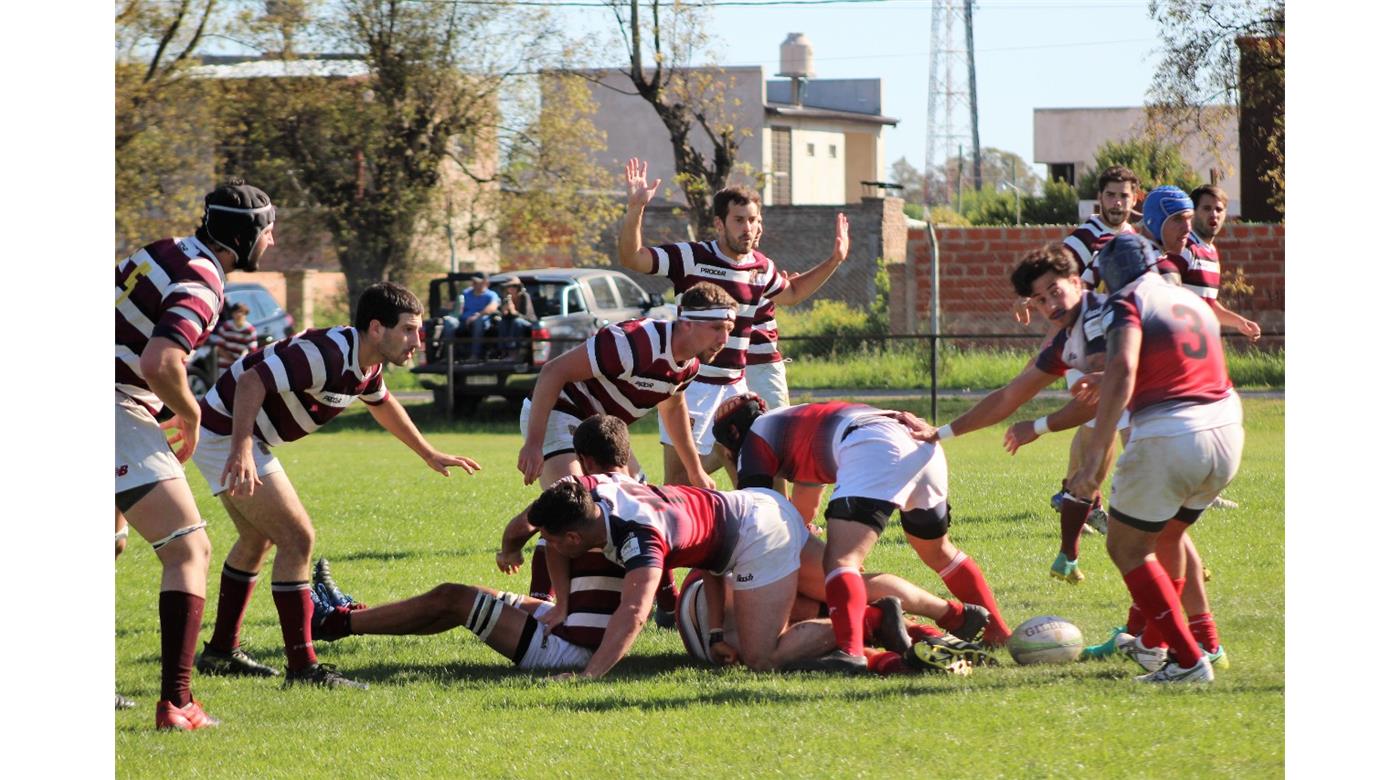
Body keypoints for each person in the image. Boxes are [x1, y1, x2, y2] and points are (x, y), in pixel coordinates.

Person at [191, 282, 481, 690]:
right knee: (297, 538)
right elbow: (253, 381)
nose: (418, 340)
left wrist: (428, 453)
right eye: (410, 329)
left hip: (231, 436)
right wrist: (240, 449)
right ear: (377, 329)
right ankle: (303, 668)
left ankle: (221, 653)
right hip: (226, 433)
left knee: (258, 540)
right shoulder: (325, 354)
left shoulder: (367, 361)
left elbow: (382, 403)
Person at [115, 179, 276, 730]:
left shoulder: (162, 248)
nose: (272, 241)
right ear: (244, 232)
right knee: (190, 550)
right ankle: (178, 705)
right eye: (268, 230)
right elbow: (162, 362)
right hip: (111, 404)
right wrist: (189, 414)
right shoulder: (205, 279)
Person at [711, 397, 1014, 666]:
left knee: (841, 562)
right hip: (919, 443)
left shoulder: (754, 441)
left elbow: (758, 523)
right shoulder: (794, 421)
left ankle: (850, 650)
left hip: (874, 444)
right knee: (939, 552)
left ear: (731, 442)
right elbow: (805, 510)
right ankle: (997, 630)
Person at [1067, 233, 1244, 683]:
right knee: (1167, 537)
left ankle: (1187, 661)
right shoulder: (1185, 297)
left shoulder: (1125, 299)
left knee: (1126, 547)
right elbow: (1175, 360)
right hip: (1225, 430)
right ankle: (1155, 643)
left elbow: (1126, 366)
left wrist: (1092, 462)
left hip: (1171, 436)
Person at [616, 157, 849, 486]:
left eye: (753, 220)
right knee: (679, 483)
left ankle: (771, 529)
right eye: (739, 220)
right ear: (720, 224)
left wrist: (835, 260)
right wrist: (635, 209)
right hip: (689, 386)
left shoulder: (761, 266)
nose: (748, 228)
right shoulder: (692, 256)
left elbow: (793, 292)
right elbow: (633, 258)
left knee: (762, 466)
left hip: (735, 387)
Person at [514, 282, 738, 623]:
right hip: (561, 410)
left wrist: (695, 470)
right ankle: (541, 603)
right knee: (573, 503)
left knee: (643, 505)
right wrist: (533, 442)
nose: (724, 338)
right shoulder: (634, 342)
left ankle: (667, 604)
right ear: (687, 322)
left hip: (602, 426)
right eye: (718, 327)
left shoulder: (689, 364)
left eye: (730, 328)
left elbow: (673, 406)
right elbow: (553, 371)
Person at [933, 246, 1119, 584]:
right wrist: (941, 433)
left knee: (1133, 541)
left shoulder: (1095, 320)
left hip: (1178, 416)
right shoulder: (1067, 339)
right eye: (1040, 300)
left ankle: (1162, 631)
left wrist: (1038, 426)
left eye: (1054, 291)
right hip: (1176, 416)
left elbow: (1098, 398)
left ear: (1077, 282)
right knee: (1093, 486)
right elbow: (1009, 396)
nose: (1051, 306)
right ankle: (1071, 557)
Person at [1156, 184, 1260, 342]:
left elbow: (1206, 303)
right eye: (1206, 208)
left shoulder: (1210, 251)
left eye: (1219, 209)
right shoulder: (1184, 249)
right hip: (1176, 343)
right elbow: (1162, 298)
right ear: (1193, 213)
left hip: (1199, 345)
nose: (1213, 214)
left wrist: (1239, 322)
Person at [457, 274, 500, 361]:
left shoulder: (491, 295)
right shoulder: (465, 293)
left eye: (479, 282)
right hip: (464, 320)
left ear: (486, 283)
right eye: (474, 282)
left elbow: (492, 307)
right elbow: (458, 308)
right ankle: (449, 356)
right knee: (449, 323)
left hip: (483, 321)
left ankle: (475, 355)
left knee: (478, 322)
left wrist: (477, 316)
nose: (476, 284)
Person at [494, 276, 536, 356]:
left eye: (514, 286)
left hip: (528, 322)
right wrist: (504, 311)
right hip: (511, 323)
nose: (511, 288)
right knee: (502, 322)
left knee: (517, 322)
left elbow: (527, 317)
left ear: (518, 287)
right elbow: (503, 316)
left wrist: (514, 312)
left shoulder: (524, 297)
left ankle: (513, 351)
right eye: (509, 286)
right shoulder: (506, 299)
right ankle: (503, 351)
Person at [213, 302, 258, 374]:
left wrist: (240, 362)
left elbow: (252, 351)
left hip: (240, 367)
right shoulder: (226, 327)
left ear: (246, 315)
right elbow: (219, 348)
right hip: (224, 367)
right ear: (232, 314)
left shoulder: (250, 330)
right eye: (236, 312)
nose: (239, 315)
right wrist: (233, 362)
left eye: (242, 312)